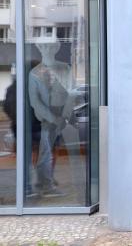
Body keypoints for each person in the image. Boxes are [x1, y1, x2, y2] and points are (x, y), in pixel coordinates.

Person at [28, 41, 75, 198]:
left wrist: (65, 117)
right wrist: (54, 119)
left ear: (57, 48)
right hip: (47, 119)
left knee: (53, 150)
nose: (47, 49)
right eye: (44, 46)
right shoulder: (34, 73)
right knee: (46, 151)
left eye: (51, 46)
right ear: (39, 48)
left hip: (63, 118)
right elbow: (35, 102)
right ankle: (44, 185)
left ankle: (45, 182)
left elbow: (71, 93)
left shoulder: (65, 68)